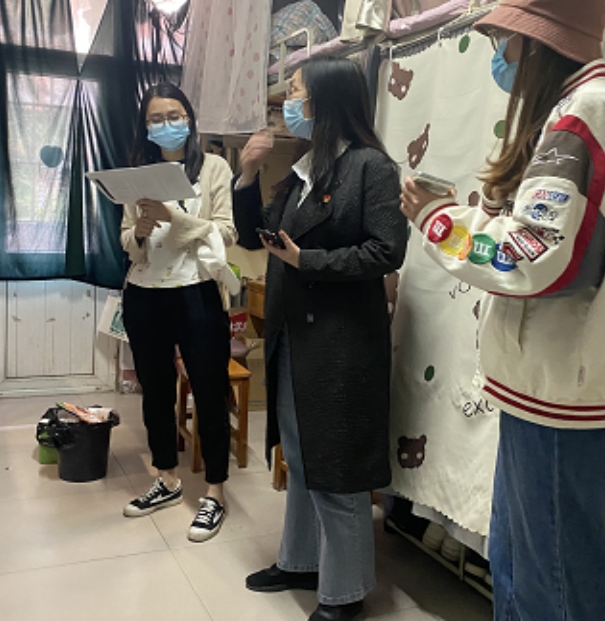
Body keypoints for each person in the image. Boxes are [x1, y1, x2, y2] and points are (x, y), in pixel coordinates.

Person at [399, 1, 605, 619]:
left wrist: (438, 221)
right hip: (552, 391)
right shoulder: (586, 109)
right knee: (525, 571)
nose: (501, 55)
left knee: (551, 588)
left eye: (506, 41)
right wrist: (478, 213)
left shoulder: (584, 112)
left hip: (560, 398)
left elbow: (532, 260)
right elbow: (553, 243)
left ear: (539, 44)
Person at [233, 58, 408, 621]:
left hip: (341, 345)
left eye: (297, 93)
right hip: (294, 337)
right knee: (302, 457)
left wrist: (307, 260)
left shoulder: (371, 168)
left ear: (327, 102)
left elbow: (386, 251)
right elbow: (254, 236)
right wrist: (245, 176)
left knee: (336, 466)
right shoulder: (305, 169)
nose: (288, 104)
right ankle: (301, 560)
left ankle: (345, 593)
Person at [120, 82, 237, 543]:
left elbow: (226, 232)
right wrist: (141, 230)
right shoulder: (137, 175)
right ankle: (166, 479)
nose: (166, 124)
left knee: (209, 391)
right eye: (155, 118)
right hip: (144, 294)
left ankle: (215, 492)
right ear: (145, 126)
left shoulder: (213, 167)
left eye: (174, 115)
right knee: (155, 392)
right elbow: (127, 239)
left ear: (189, 118)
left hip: (198, 292)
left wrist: (175, 217)